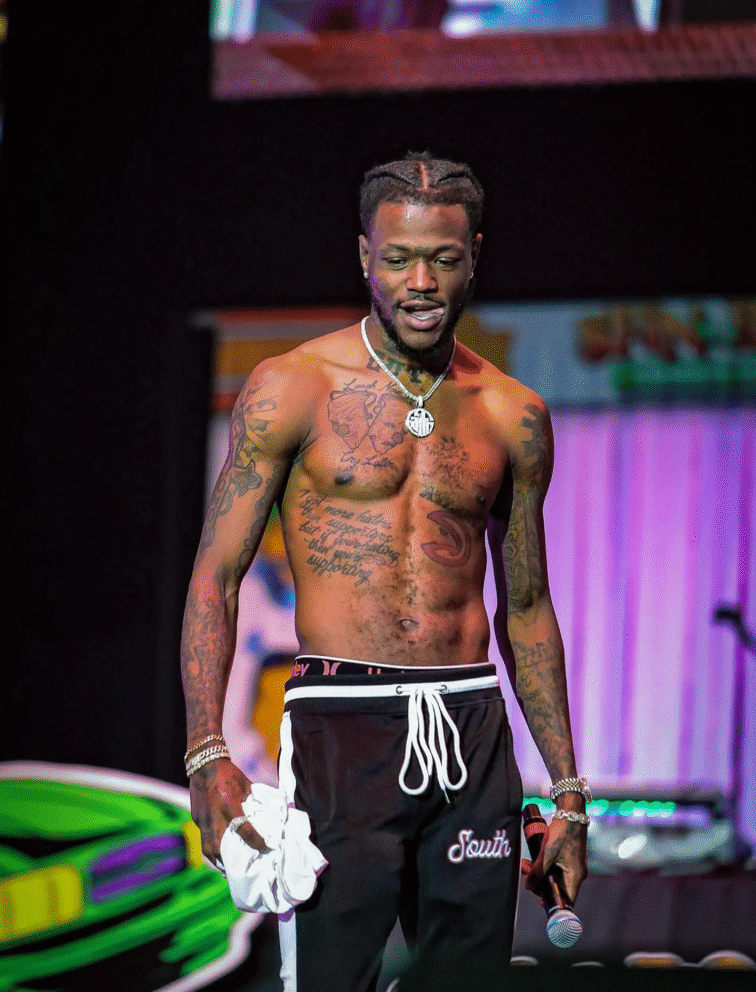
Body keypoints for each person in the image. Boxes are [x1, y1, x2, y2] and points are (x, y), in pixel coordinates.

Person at [181, 152, 588, 991]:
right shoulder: (292, 388)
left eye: (443, 259)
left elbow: (527, 606)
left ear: (474, 256)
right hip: (343, 727)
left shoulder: (513, 414)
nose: (421, 283)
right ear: (365, 255)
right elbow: (215, 576)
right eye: (399, 258)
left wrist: (569, 794)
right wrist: (205, 750)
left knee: (469, 983)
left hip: (471, 727)